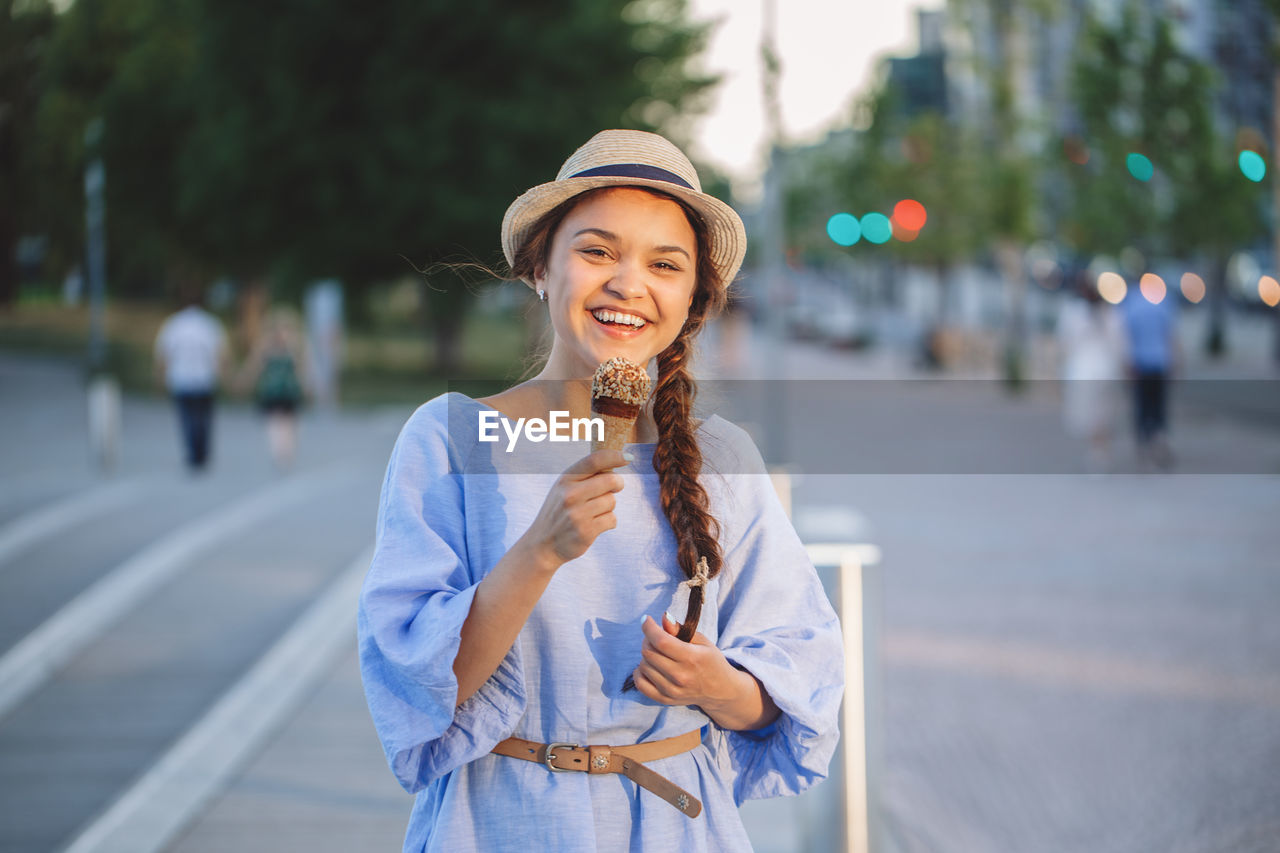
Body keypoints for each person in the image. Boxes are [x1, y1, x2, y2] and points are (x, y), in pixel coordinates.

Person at [357, 130, 844, 852]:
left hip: (679, 825)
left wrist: (716, 684)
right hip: (499, 822)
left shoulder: (722, 457)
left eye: (665, 264)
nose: (628, 283)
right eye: (596, 251)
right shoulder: (451, 438)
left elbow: (797, 685)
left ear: (692, 299)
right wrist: (539, 551)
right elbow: (422, 689)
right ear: (539, 269)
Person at [1057, 275, 1127, 473]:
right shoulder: (1110, 314)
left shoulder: (1074, 313)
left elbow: (1065, 342)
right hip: (1104, 370)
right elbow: (1120, 344)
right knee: (1102, 414)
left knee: (1092, 414)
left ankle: (1097, 450)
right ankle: (1100, 450)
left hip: (1085, 371)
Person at [153, 289, 228, 472]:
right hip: (205, 377)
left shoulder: (174, 324)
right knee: (203, 418)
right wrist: (223, 373)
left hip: (181, 377)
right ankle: (202, 452)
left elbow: (163, 353)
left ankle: (193, 452)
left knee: (186, 417)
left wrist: (159, 376)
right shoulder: (209, 324)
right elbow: (220, 351)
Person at [238, 306, 309, 471]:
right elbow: (254, 367)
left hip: (287, 390)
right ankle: (280, 451)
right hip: (275, 391)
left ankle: (284, 451)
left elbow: (302, 369)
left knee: (287, 423)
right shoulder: (271, 347)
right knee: (277, 422)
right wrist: (245, 381)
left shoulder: (293, 347)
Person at [1121, 281, 1180, 470]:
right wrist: (1176, 362)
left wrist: (1125, 365)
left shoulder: (1131, 302)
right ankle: (1159, 439)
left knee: (1141, 407)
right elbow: (1171, 334)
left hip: (1139, 363)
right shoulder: (1163, 301)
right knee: (1158, 406)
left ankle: (1144, 447)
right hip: (1160, 362)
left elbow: (1125, 335)